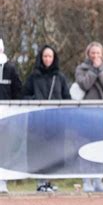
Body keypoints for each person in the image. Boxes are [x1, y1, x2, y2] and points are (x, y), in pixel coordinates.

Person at [23, 45, 71, 192]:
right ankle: (40, 182)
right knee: (38, 151)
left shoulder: (60, 77)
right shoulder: (33, 76)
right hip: (37, 121)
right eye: (45, 56)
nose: (47, 59)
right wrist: (36, 99)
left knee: (53, 152)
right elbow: (24, 95)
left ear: (54, 58)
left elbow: (67, 98)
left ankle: (49, 181)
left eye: (50, 56)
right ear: (41, 58)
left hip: (55, 121)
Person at [75, 41, 103, 192]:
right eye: (93, 53)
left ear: (102, 54)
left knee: (100, 146)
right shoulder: (81, 68)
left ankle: (98, 180)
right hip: (86, 114)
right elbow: (84, 84)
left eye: (98, 53)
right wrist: (93, 70)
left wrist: (101, 71)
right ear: (88, 54)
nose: (95, 56)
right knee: (85, 146)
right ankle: (87, 180)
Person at [0, 39, 22, 194]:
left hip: (6, 116)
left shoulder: (11, 69)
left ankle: (2, 182)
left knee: (4, 149)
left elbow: (18, 92)